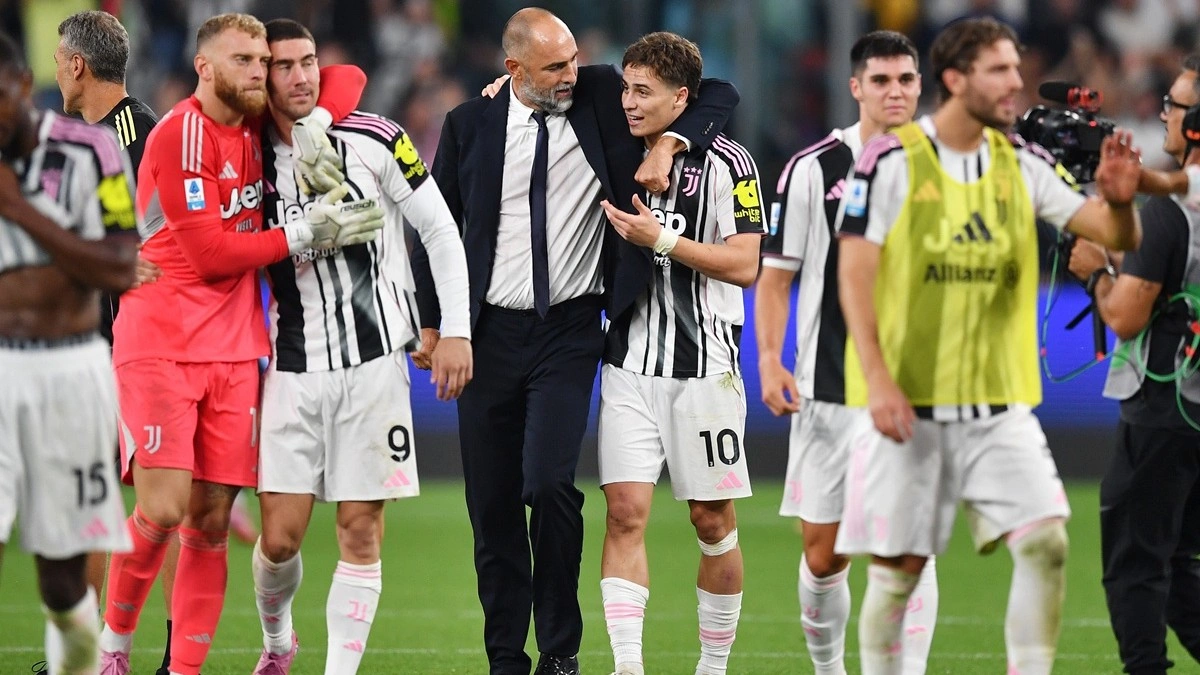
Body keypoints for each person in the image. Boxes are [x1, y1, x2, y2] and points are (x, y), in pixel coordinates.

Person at [417, 8, 738, 674]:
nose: (573, 72)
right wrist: (434, 324)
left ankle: (560, 651)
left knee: (549, 485)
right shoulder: (469, 124)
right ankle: (507, 658)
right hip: (487, 333)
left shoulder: (594, 97)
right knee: (492, 506)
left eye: (572, 59)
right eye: (555, 66)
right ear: (514, 70)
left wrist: (668, 145)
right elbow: (436, 228)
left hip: (569, 328)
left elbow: (715, 93)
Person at [835, 16, 1143, 675]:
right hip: (910, 408)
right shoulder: (889, 160)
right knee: (898, 574)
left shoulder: (1021, 163)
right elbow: (854, 271)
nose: (1015, 83)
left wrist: (1119, 203)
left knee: (1047, 543)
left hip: (998, 409)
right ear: (955, 79)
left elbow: (1112, 232)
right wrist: (878, 378)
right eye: (999, 70)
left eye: (1015, 68)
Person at [97, 13, 380, 675]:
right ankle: (112, 647)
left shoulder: (256, 124)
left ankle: (184, 669)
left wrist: (312, 124)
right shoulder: (180, 135)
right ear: (204, 67)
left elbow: (349, 77)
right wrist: (308, 231)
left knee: (211, 520)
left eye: (262, 60)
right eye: (243, 60)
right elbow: (211, 255)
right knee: (163, 509)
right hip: (160, 341)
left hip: (234, 351)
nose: (258, 72)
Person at [248, 18, 472, 675]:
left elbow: (440, 230)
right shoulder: (248, 157)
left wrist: (454, 327)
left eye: (309, 61)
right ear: (262, 76)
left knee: (360, 529)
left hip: (374, 367)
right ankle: (277, 642)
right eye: (284, 65)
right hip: (292, 367)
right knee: (279, 538)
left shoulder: (377, 137)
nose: (301, 76)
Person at [755, 30, 939, 675]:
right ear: (856, 87)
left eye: (906, 79)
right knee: (823, 554)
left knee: (911, 547)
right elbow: (776, 278)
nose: (895, 92)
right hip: (829, 388)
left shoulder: (943, 165)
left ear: (920, 85)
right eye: (881, 80)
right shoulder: (814, 169)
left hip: (917, 390)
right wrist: (770, 359)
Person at [592, 31, 761, 675]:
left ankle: (711, 667)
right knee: (623, 514)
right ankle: (627, 668)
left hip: (705, 371)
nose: (629, 102)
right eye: (627, 88)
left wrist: (660, 239)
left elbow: (745, 265)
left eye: (644, 91)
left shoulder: (731, 164)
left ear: (681, 100)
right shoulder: (614, 143)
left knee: (711, 520)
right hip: (629, 366)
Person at [0, 27, 139, 674]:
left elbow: (120, 264)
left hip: (70, 370)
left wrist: (21, 211)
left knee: (63, 582)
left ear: (23, 85)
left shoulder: (93, 150)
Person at [1068, 55, 1200, 675]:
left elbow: (1125, 316)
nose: (1165, 114)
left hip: (1165, 405)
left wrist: (1096, 271)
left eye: (1175, 106)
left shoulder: (1171, 214)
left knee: (1135, 564)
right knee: (1179, 561)